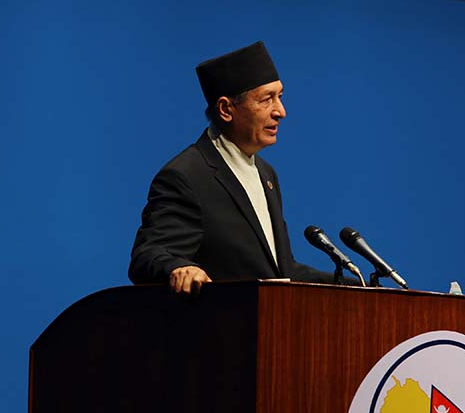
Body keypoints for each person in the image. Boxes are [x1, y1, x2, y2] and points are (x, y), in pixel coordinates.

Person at [128, 41, 335, 294]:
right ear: (226, 109)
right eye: (266, 100)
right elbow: (148, 254)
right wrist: (178, 267)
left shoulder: (266, 173)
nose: (281, 111)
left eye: (279, 97)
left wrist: (357, 285)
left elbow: (281, 272)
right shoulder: (187, 176)